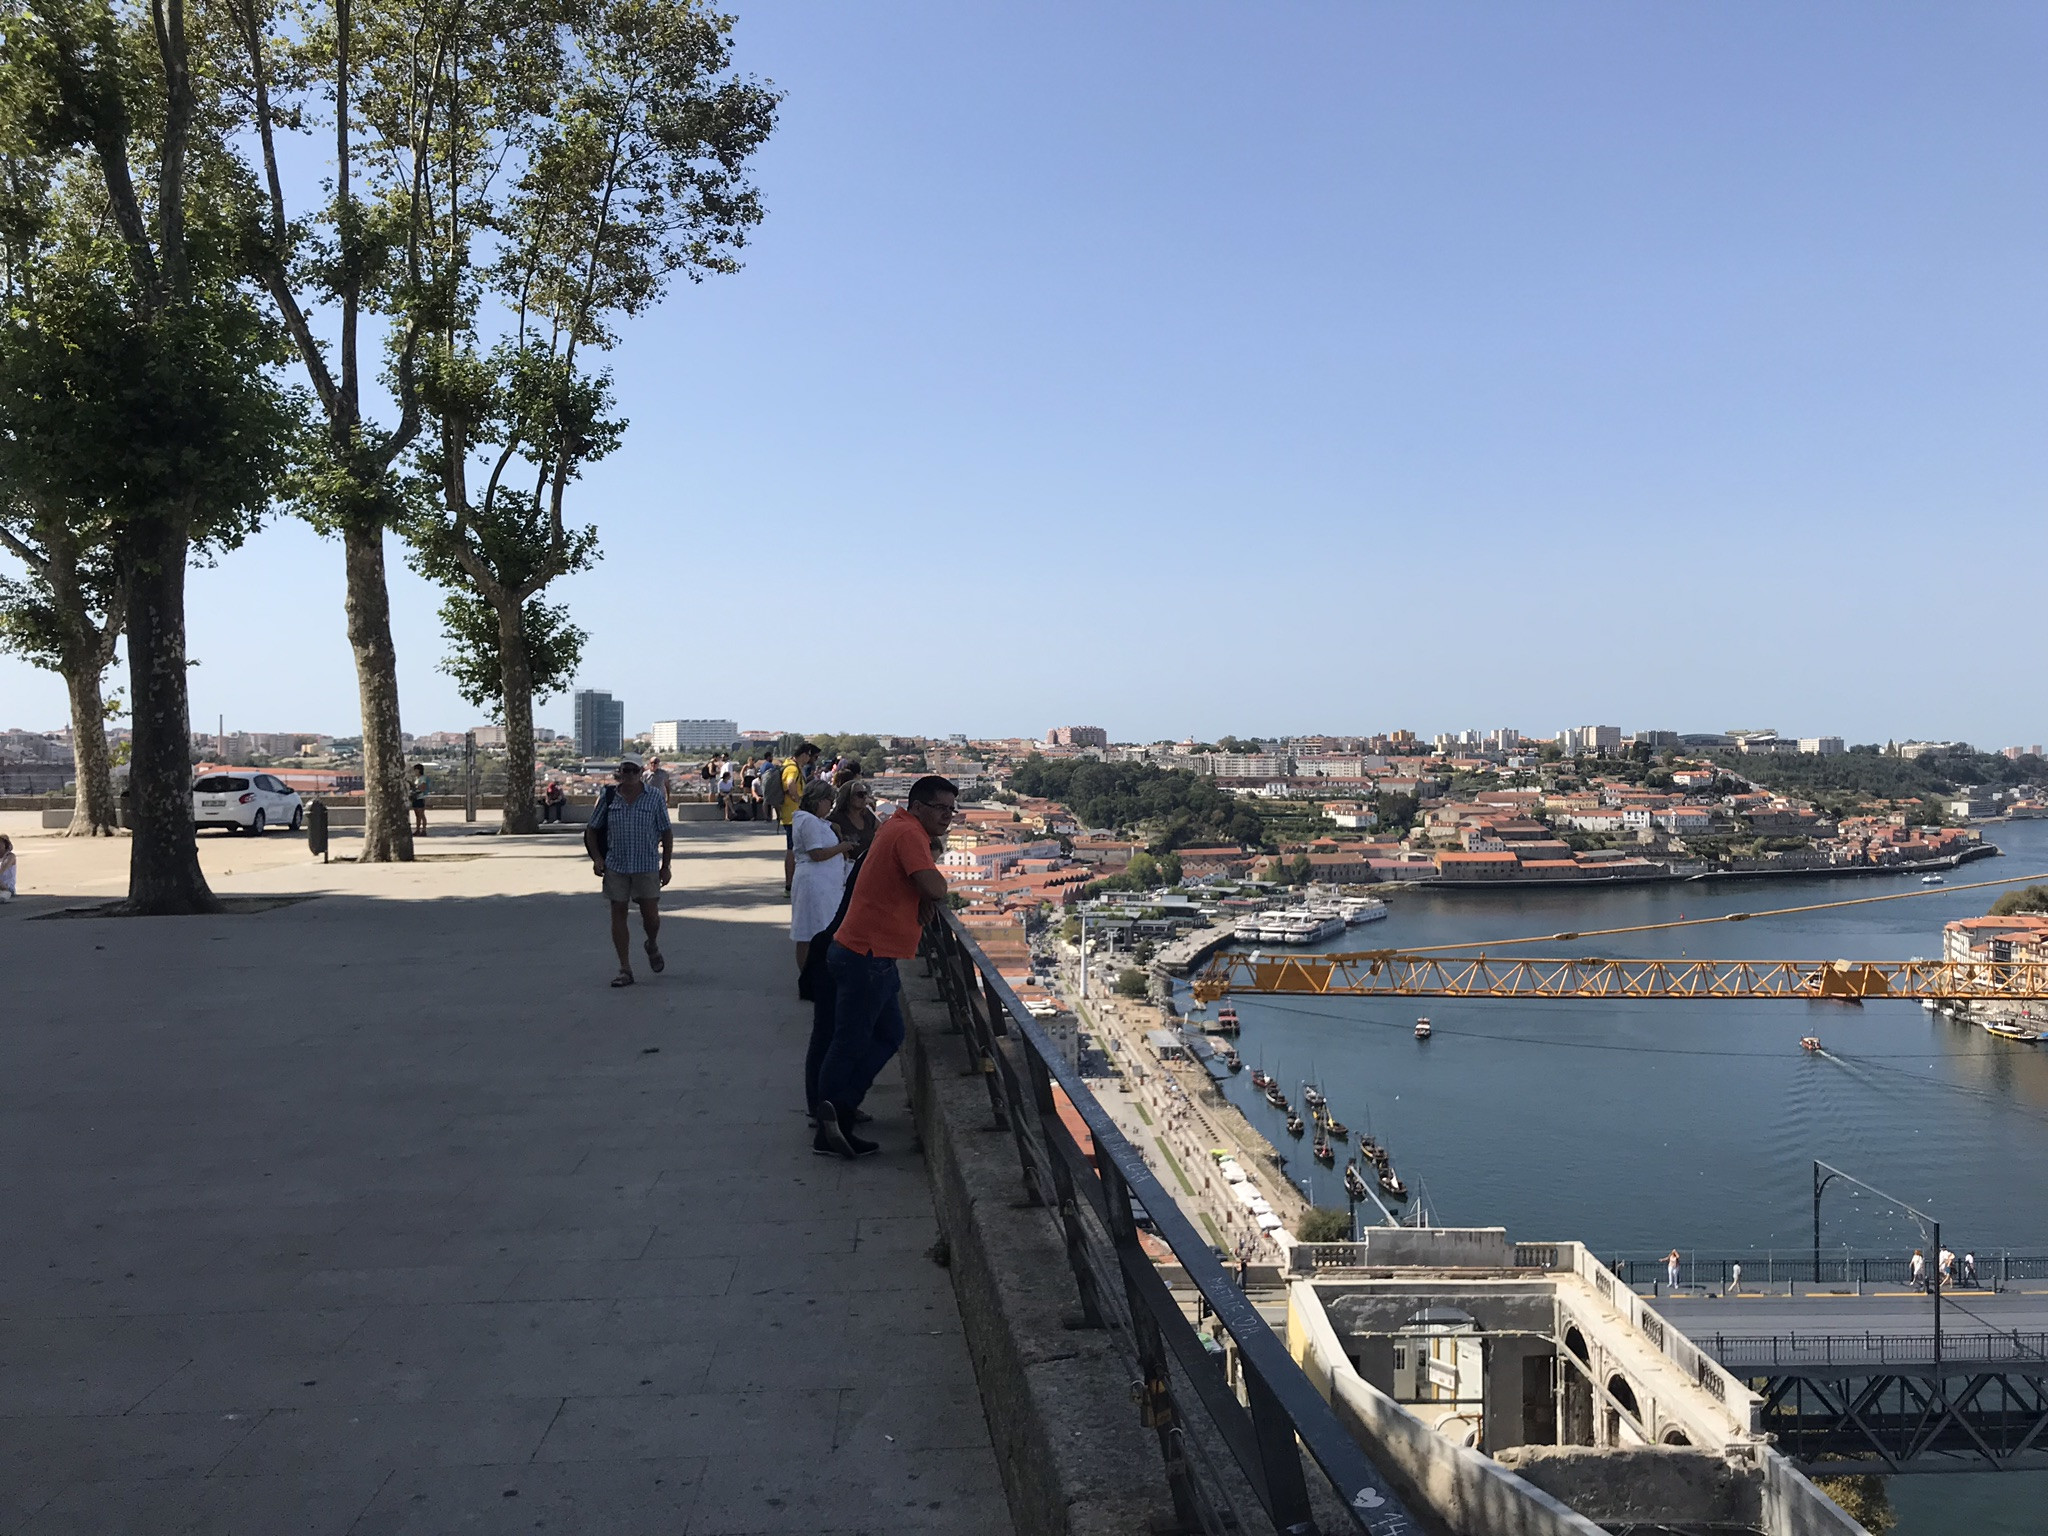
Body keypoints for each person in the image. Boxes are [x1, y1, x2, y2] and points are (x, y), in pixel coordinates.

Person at [813, 774, 958, 1157]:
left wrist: (920, 893)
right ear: (919, 806)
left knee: (887, 1033)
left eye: (952, 809)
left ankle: (839, 1106)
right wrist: (927, 891)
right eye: (941, 808)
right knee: (851, 1040)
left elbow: (915, 883)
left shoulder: (896, 824)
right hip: (867, 954)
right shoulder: (909, 834)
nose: (948, 816)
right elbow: (935, 886)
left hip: (866, 952)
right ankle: (830, 1125)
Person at [586, 754, 672, 987]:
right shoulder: (609, 796)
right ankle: (625, 968)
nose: (630, 775)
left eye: (634, 770)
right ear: (620, 772)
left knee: (651, 916)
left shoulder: (653, 797)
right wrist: (596, 858)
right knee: (618, 911)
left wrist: (665, 866)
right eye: (626, 770)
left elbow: (666, 832)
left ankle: (651, 943)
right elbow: (592, 829)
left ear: (641, 772)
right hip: (617, 864)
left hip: (646, 864)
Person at [790, 781, 859, 973]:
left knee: (818, 929)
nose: (831, 806)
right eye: (829, 801)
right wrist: (841, 848)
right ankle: (809, 976)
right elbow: (816, 853)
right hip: (815, 882)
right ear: (818, 801)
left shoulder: (813, 820)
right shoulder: (809, 821)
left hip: (824, 882)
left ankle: (814, 975)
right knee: (810, 931)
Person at [777, 742, 821, 896]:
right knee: (792, 850)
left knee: (793, 849)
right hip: (793, 815)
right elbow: (790, 784)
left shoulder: (791, 766)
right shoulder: (792, 769)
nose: (810, 760)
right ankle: (789, 885)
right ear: (804, 754)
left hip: (790, 815)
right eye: (810, 756)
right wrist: (798, 799)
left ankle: (791, 884)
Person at [829, 778, 880, 860]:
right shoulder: (835, 819)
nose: (864, 797)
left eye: (865, 794)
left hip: (868, 863)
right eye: (860, 794)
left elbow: (882, 830)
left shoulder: (867, 815)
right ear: (848, 797)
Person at [409, 764, 431, 835]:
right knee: (417, 815)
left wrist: (416, 787)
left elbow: (423, 787)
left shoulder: (422, 778)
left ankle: (424, 830)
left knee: (421, 814)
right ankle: (417, 829)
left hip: (420, 797)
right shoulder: (417, 778)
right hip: (415, 797)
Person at [0, 833, 16, 902]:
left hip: (7, 887)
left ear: (5, 844)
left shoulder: (10, 856)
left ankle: (4, 894)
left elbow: (2, 869)